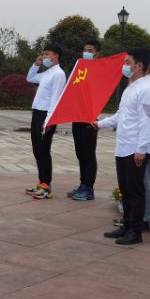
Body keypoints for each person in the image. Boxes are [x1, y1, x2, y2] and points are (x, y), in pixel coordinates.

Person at [96, 47, 150, 245]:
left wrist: (141, 149)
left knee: (136, 191)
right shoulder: (131, 86)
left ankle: (136, 231)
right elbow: (121, 115)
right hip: (123, 147)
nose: (124, 66)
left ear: (139, 65)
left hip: (135, 149)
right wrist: (100, 124)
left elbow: (147, 122)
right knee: (125, 190)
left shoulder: (147, 89)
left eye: (127, 62)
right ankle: (127, 224)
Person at [24, 43, 66, 199]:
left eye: (47, 54)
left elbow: (55, 99)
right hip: (37, 113)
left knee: (43, 150)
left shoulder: (58, 74)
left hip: (46, 116)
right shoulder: (47, 73)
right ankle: (41, 182)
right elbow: (30, 78)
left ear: (56, 56)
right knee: (37, 149)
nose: (44, 56)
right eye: (44, 54)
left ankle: (46, 186)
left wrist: (49, 120)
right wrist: (36, 64)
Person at [68, 39, 101, 201]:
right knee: (80, 153)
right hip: (77, 116)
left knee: (88, 153)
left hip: (90, 118)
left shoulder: (99, 71)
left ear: (97, 54)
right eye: (85, 50)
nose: (87, 53)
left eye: (90, 50)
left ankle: (89, 188)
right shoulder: (80, 69)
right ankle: (82, 184)